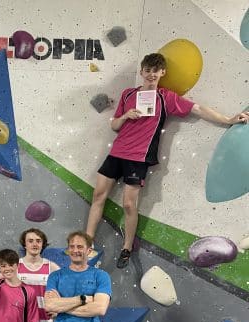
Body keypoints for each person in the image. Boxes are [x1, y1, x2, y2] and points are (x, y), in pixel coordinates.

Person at [85, 53, 249, 268]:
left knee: (128, 204)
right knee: (98, 195)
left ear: (162, 72)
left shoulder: (166, 97)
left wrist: (228, 119)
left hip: (139, 158)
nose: (151, 74)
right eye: (148, 70)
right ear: (142, 71)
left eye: (156, 71)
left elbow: (198, 109)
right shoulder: (128, 94)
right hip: (116, 153)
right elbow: (114, 125)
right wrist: (126, 116)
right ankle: (86, 243)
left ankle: (126, 247)